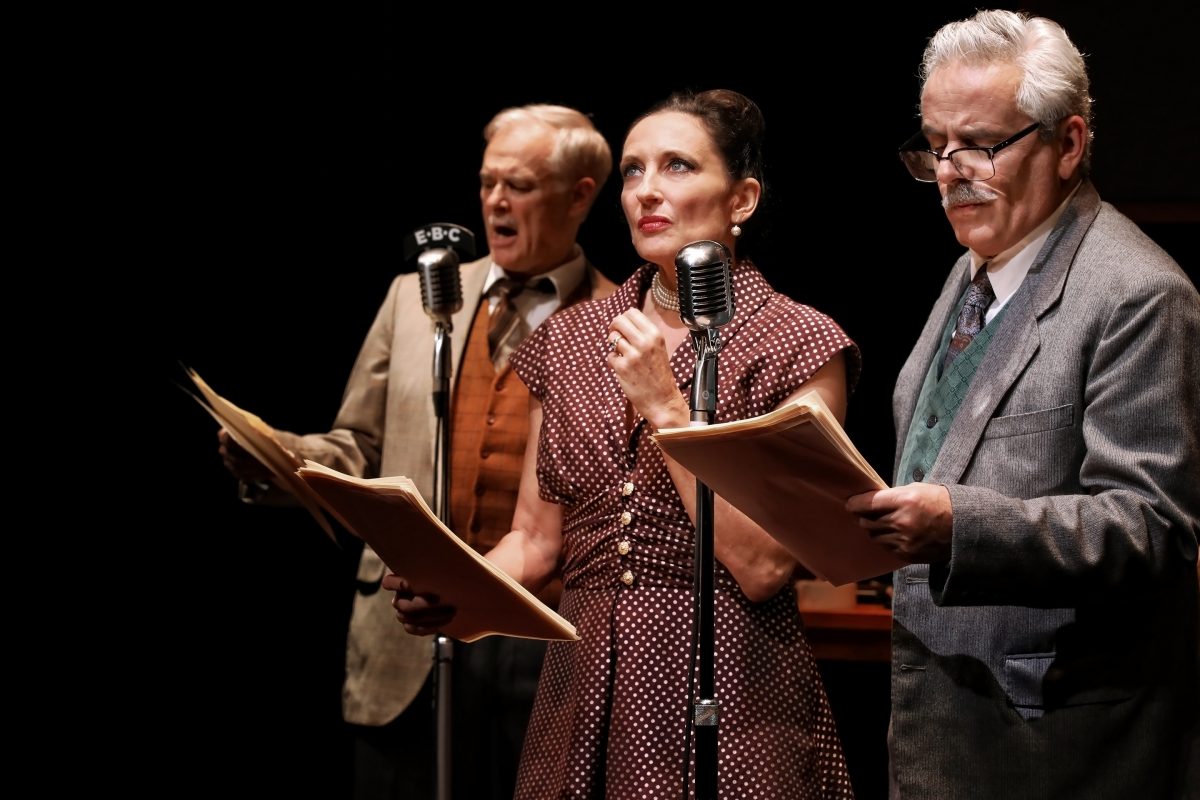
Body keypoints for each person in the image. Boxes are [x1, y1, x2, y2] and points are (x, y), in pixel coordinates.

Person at [388, 89, 860, 799]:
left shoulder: (797, 343)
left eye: (677, 167)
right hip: (583, 687)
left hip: (730, 683)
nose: (647, 191)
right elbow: (536, 540)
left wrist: (665, 406)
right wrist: (458, 589)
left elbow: (763, 565)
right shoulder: (572, 338)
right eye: (634, 171)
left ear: (742, 200)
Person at [845, 10, 1200, 798]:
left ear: (1067, 143)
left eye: (979, 145)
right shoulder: (974, 268)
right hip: (944, 722)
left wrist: (959, 524)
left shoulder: (1137, 293)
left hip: (1052, 743)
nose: (949, 171)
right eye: (935, 147)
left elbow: (1154, 529)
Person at [218, 103, 616, 800]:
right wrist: (275, 456)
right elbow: (358, 446)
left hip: (549, 646)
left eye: (518, 185)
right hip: (409, 638)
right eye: (488, 182)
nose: (495, 200)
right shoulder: (415, 300)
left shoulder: (619, 320)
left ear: (580, 195)